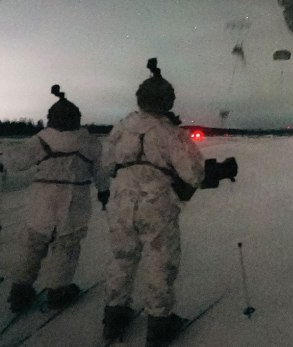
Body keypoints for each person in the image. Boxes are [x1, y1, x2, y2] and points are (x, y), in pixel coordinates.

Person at [99, 58, 237, 344]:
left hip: (120, 202)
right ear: (167, 101)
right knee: (159, 262)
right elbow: (194, 173)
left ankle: (114, 317)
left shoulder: (122, 126)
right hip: (155, 204)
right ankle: (159, 325)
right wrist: (218, 170)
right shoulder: (170, 132)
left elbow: (106, 162)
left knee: (122, 257)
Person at [0, 85, 108, 313]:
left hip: (42, 203)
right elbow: (101, 172)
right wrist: (104, 191)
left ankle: (20, 291)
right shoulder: (90, 143)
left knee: (32, 245)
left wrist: (0, 160)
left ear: (51, 118)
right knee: (67, 248)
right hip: (75, 203)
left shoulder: (41, 140)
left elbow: (17, 159)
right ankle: (58, 292)